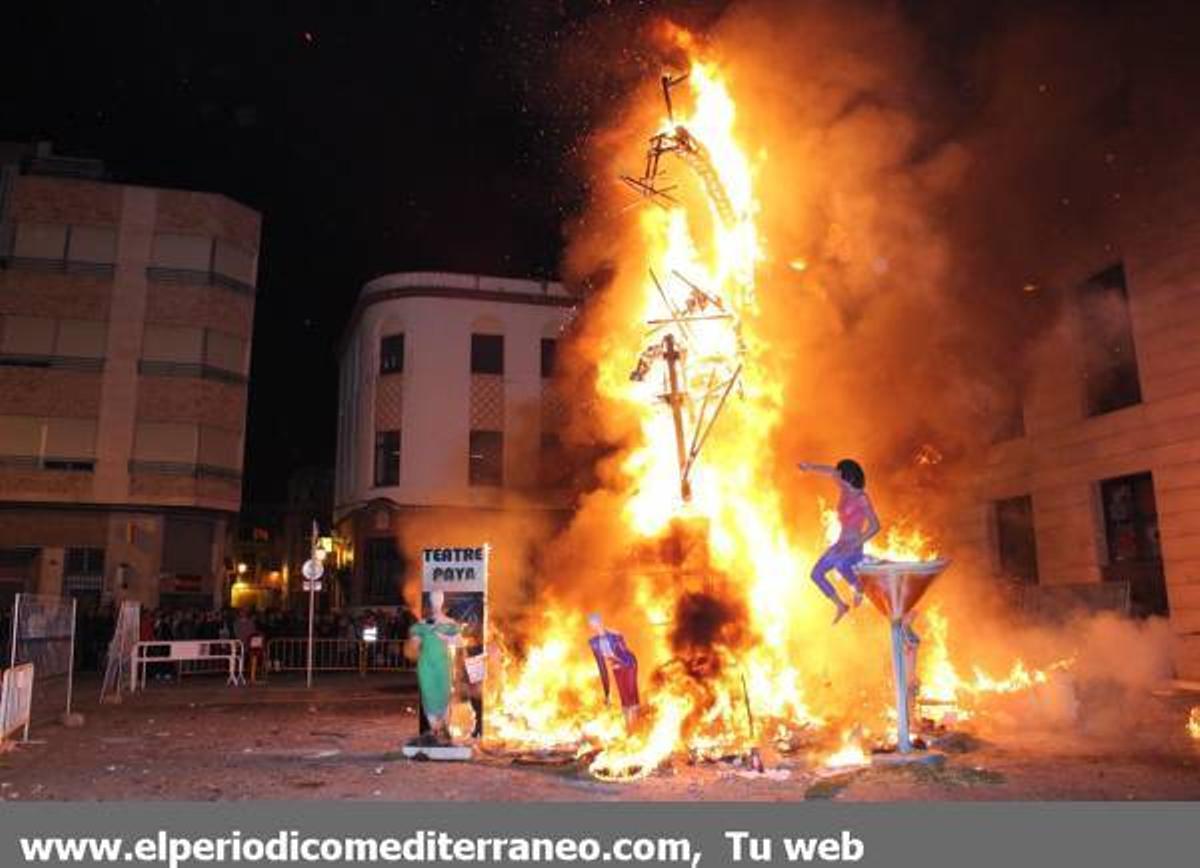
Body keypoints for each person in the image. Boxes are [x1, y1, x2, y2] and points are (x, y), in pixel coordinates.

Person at [797, 458, 881, 624]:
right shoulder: (844, 487)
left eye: (840, 477)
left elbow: (875, 525)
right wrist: (809, 466)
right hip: (840, 543)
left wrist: (858, 542)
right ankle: (841, 605)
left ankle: (858, 587)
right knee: (816, 574)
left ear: (848, 479)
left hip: (853, 546)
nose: (837, 479)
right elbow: (830, 471)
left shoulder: (861, 498)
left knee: (841, 564)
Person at [406, 591, 461, 743]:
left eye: (438, 599)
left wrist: (443, 637)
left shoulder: (448, 624)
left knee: (442, 694)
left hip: (439, 664)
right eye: (434, 599)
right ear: (431, 602)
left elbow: (458, 642)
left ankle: (443, 731)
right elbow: (413, 647)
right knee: (429, 694)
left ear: (442, 601)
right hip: (429, 665)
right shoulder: (424, 625)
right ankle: (435, 732)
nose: (436, 601)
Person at [587, 614, 640, 728]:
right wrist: (607, 693)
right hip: (616, 667)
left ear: (600, 622)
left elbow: (624, 652)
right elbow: (602, 667)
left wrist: (618, 635)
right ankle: (629, 728)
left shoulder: (615, 636)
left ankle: (636, 726)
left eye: (596, 623)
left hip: (629, 664)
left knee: (631, 695)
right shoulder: (594, 643)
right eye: (592, 624)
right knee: (624, 697)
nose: (595, 626)